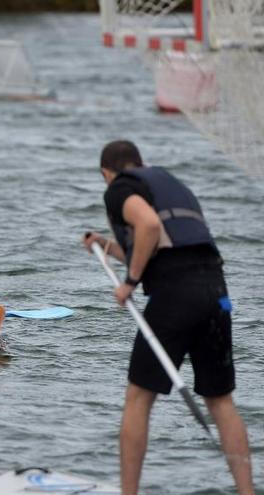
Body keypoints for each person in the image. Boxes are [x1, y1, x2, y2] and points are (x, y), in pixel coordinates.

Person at [81, 140, 253, 495]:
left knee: (139, 398)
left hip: (175, 295)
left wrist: (129, 283)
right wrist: (107, 246)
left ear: (105, 173)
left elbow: (147, 227)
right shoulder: (169, 184)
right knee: (221, 400)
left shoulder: (119, 188)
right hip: (215, 291)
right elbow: (163, 243)